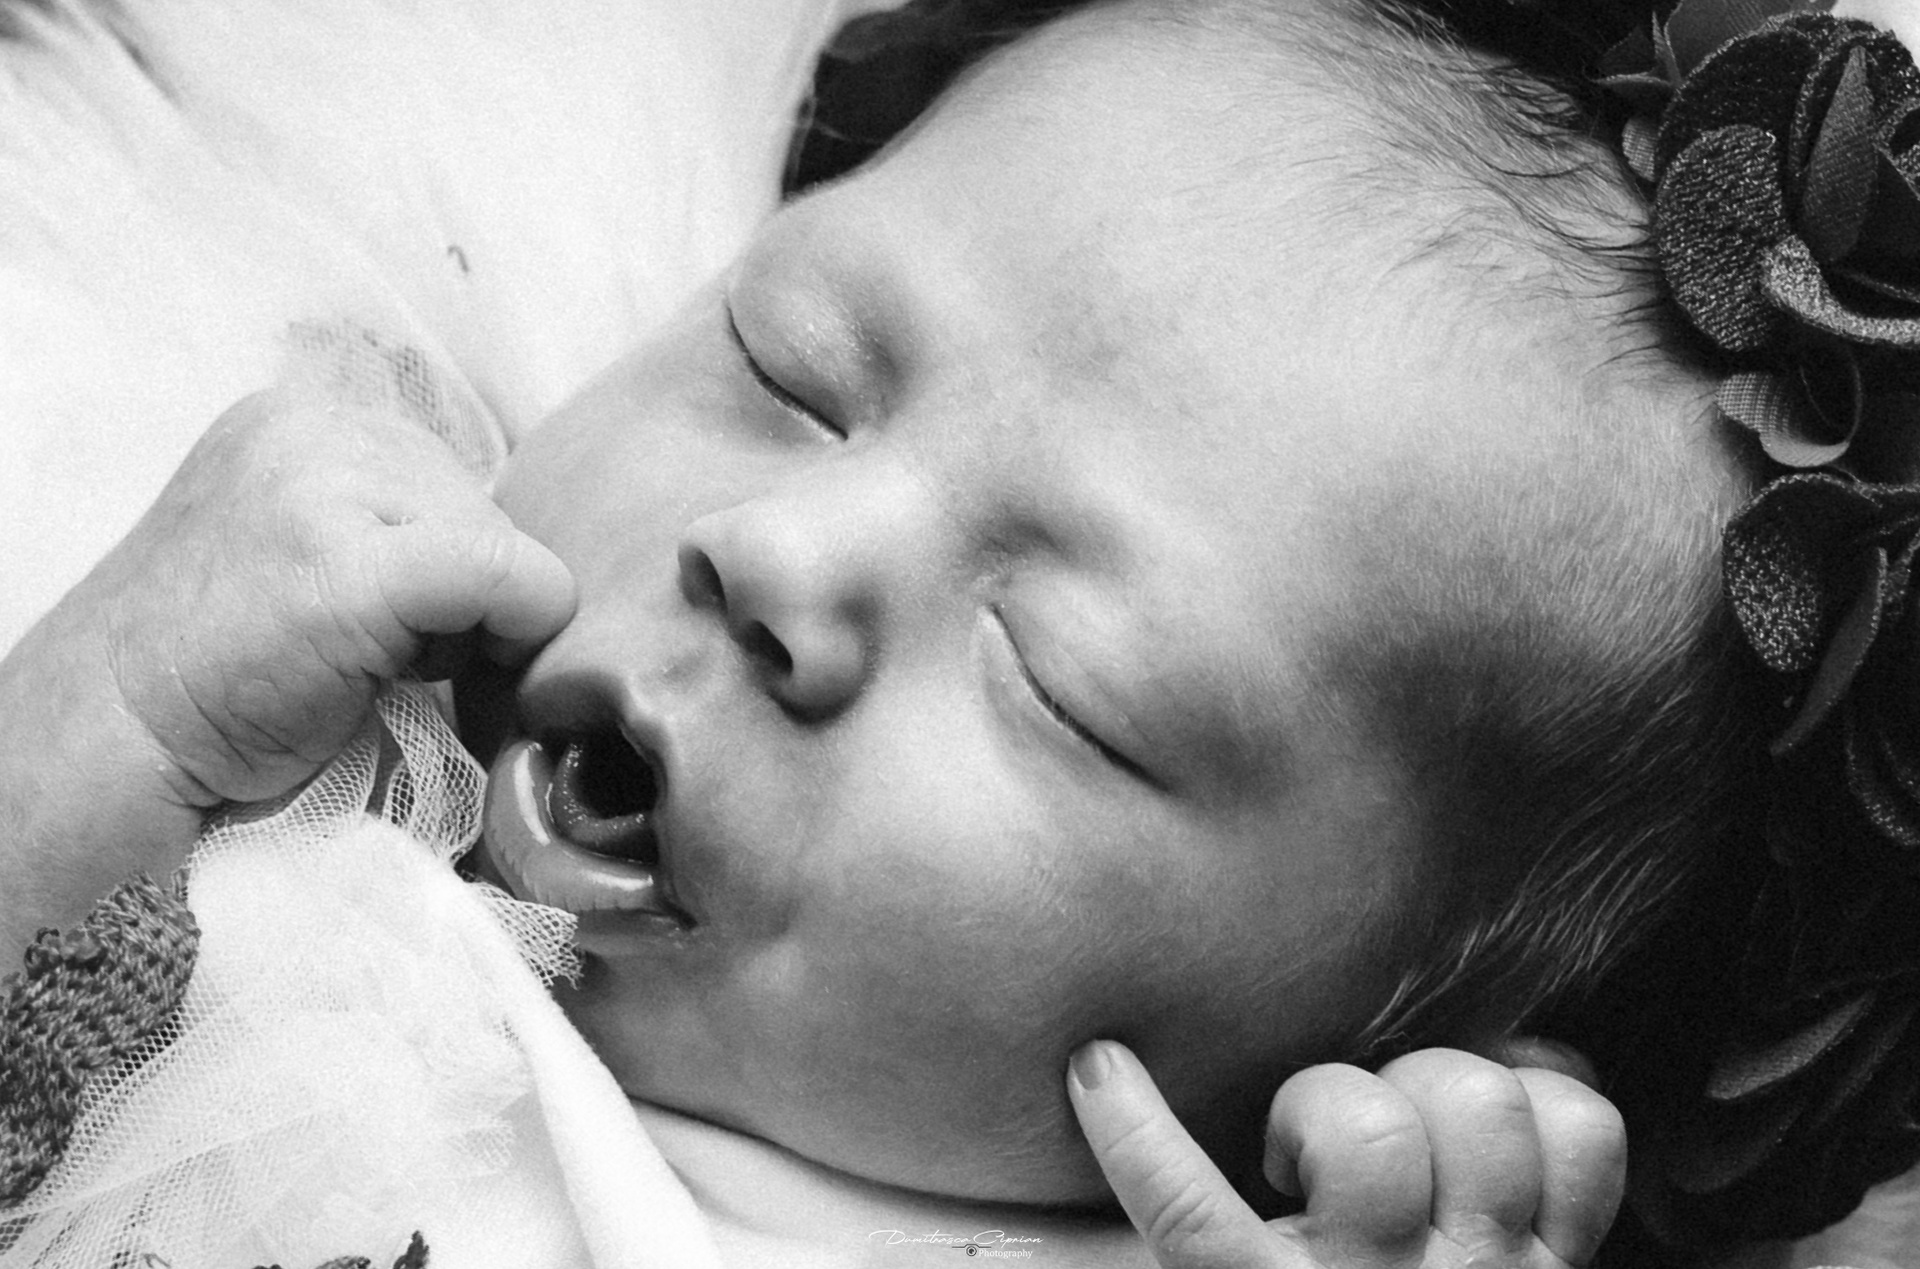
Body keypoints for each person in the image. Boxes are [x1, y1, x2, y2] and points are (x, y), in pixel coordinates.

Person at [1, 0, 1915, 1266]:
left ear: (1379, 1061)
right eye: (793, 368)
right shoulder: (271, 764)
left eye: (1058, 681)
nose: (776, 551)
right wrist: (100, 729)